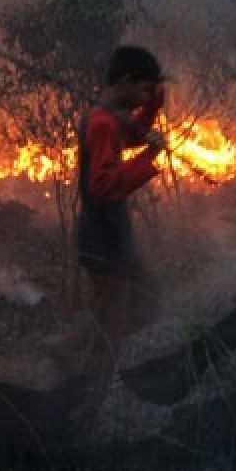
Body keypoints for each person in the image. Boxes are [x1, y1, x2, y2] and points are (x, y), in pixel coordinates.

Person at [69, 45, 167, 427]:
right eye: (144, 89)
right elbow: (104, 187)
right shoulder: (102, 123)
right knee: (110, 335)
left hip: (112, 240)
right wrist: (147, 161)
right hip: (105, 242)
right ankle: (85, 411)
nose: (145, 97)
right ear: (126, 81)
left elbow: (137, 132)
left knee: (147, 302)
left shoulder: (109, 118)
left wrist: (154, 104)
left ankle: (63, 348)